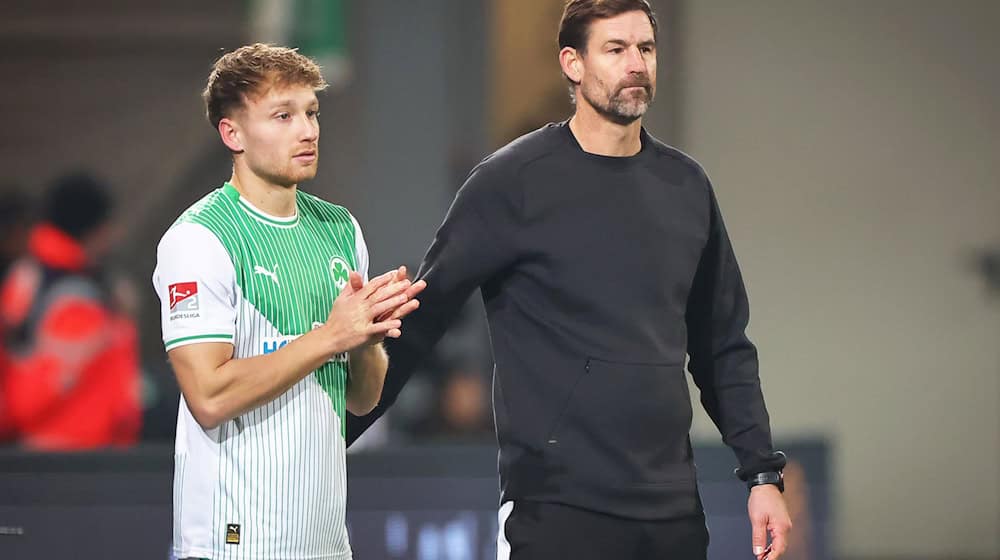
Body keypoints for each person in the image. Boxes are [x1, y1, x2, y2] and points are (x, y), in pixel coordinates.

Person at [347, 1, 792, 559]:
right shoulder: (511, 183)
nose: (637, 63)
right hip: (553, 510)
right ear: (572, 63)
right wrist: (330, 437)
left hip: (672, 510)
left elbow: (722, 345)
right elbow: (423, 320)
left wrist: (761, 474)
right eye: (616, 49)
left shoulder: (686, 187)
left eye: (646, 48)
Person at [152, 43, 424, 560]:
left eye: (311, 113)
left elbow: (362, 400)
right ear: (232, 133)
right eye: (283, 116)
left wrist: (366, 338)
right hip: (232, 543)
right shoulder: (198, 239)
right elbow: (208, 398)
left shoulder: (340, 229)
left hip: (325, 543)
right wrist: (332, 336)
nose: (308, 130)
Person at [0, 173, 140, 449]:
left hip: (43, 450)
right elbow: (35, 393)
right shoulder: (77, 296)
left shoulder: (27, 276)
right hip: (72, 453)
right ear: (95, 229)